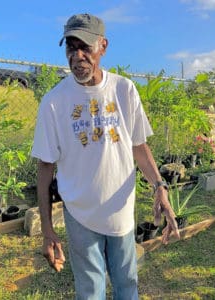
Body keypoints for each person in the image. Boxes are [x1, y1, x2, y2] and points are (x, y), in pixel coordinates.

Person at [31, 13, 180, 300]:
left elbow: (138, 146)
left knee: (127, 285)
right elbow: (45, 166)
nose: (78, 56)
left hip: (121, 210)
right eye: (71, 48)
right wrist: (47, 230)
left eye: (85, 47)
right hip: (80, 213)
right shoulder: (54, 102)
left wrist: (160, 186)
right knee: (90, 291)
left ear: (103, 46)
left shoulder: (123, 90)